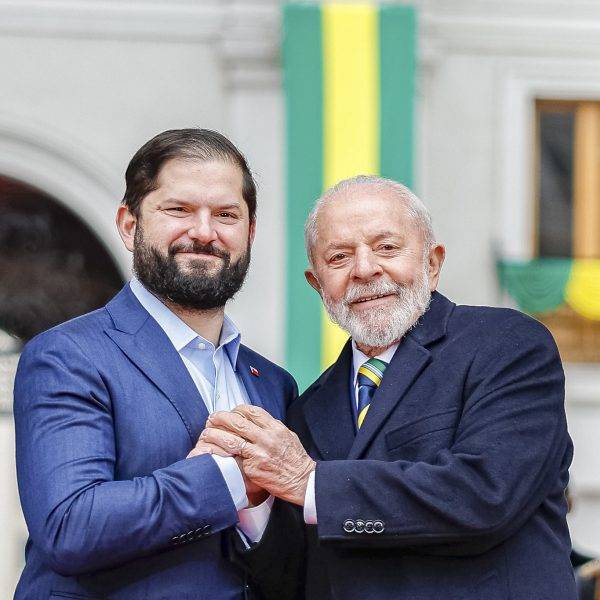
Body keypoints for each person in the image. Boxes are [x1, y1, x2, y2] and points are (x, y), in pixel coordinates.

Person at [198, 175, 578, 599]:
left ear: (432, 263)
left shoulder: (505, 344)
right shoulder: (310, 407)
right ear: (317, 284)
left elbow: (486, 495)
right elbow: (294, 577)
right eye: (339, 257)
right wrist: (254, 500)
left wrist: (310, 482)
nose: (364, 270)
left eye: (386, 248)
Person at [13, 128, 296, 599]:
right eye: (178, 209)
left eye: (226, 214)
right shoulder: (67, 356)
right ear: (130, 225)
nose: (204, 232)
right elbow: (70, 527)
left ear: (249, 233)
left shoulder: (272, 382)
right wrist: (226, 480)